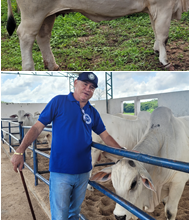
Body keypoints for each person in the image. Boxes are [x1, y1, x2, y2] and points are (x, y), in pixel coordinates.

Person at [11, 72, 125, 220]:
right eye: (85, 84)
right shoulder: (58, 102)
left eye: (92, 87)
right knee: (60, 216)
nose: (87, 89)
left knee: (74, 213)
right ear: (75, 83)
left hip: (84, 172)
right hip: (61, 172)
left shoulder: (93, 112)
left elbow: (105, 136)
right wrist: (20, 151)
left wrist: (123, 152)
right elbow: (37, 128)